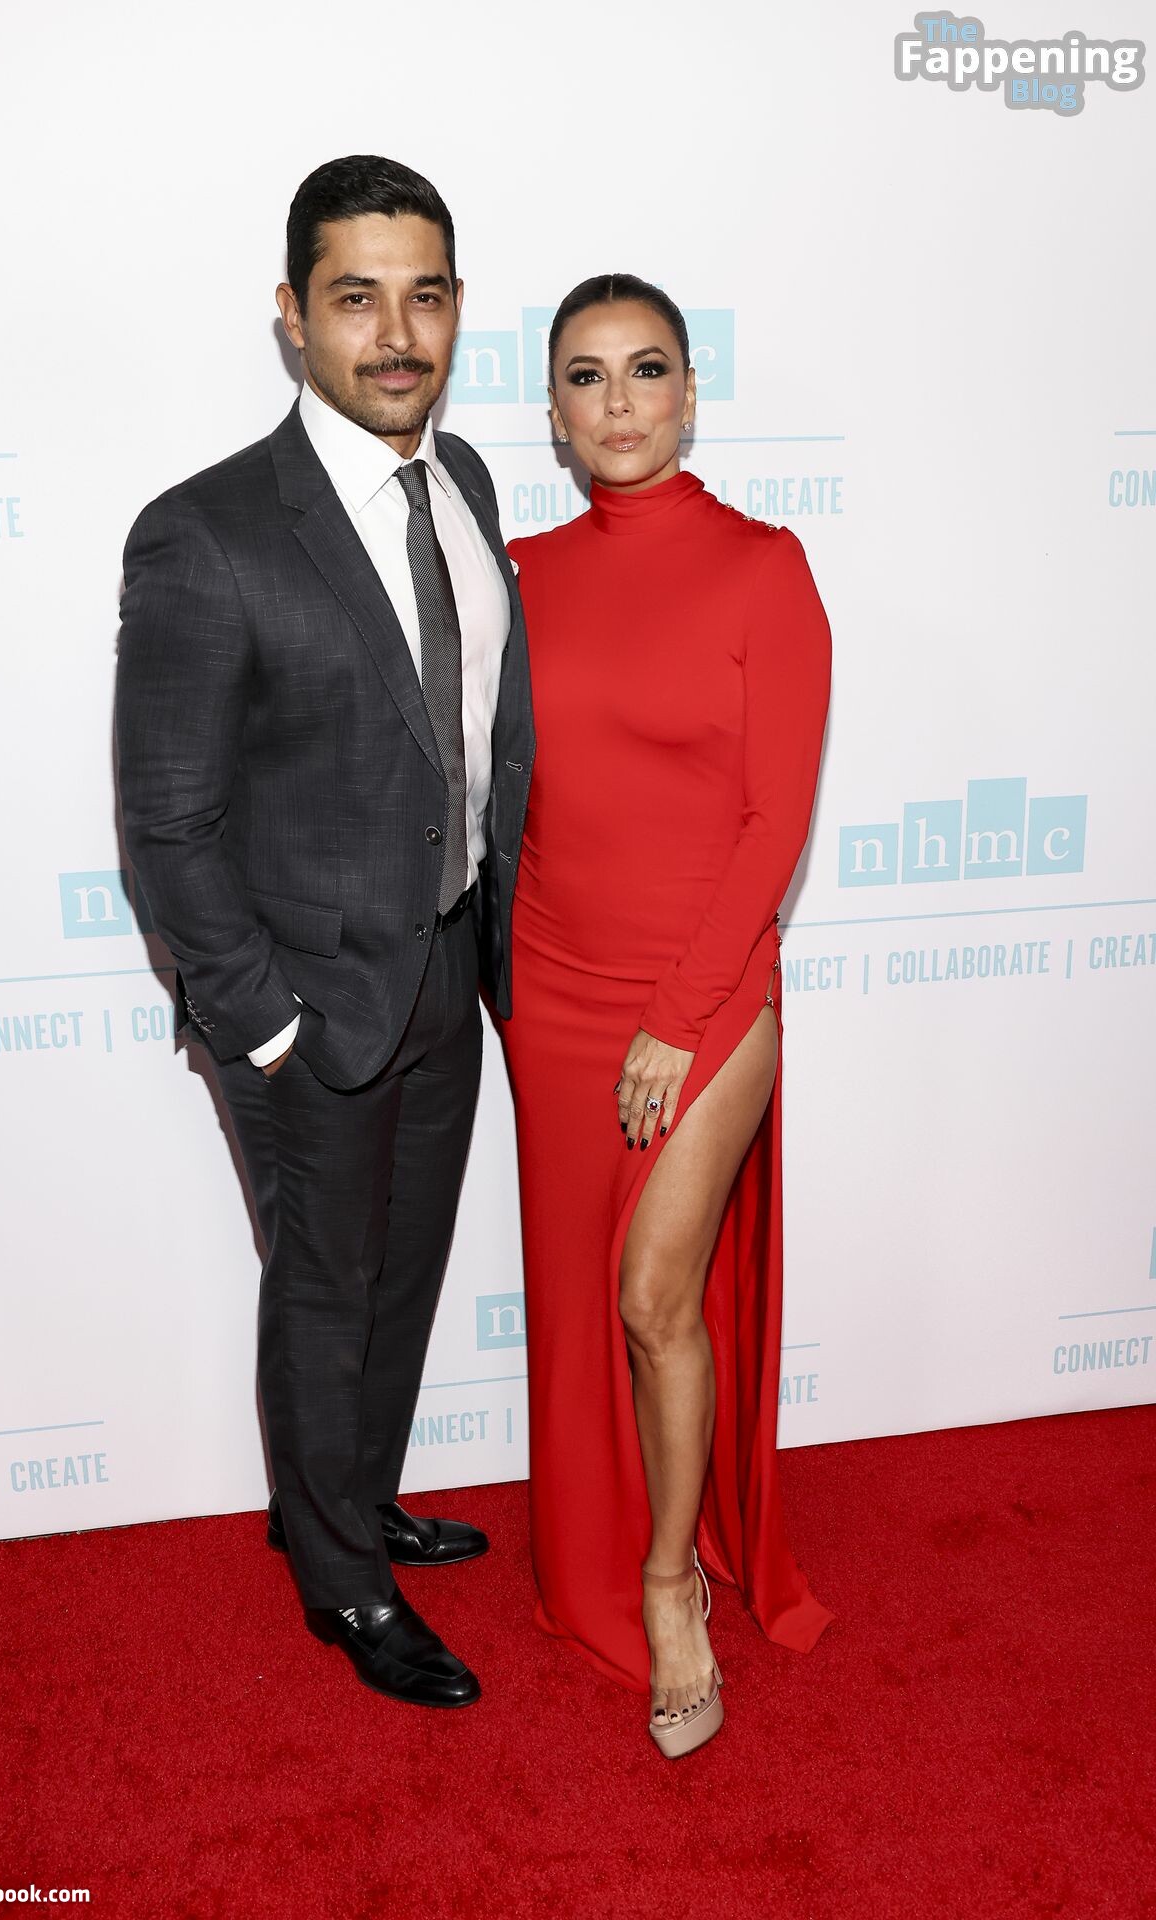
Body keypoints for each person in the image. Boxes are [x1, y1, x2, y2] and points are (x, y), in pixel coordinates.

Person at [115, 155, 534, 1709]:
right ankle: (341, 1583)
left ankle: (350, 1499)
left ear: (459, 309)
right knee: (323, 1288)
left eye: (425, 297)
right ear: (293, 316)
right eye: (357, 298)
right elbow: (167, 823)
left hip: (446, 961)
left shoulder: (466, 478)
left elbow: (475, 738)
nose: (396, 334)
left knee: (404, 1273)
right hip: (304, 999)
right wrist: (266, 1024)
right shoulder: (206, 532)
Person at [502, 273, 834, 1757]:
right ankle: (596, 1546)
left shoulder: (766, 569)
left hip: (704, 990)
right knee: (588, 1304)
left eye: (647, 370)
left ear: (692, 395)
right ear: (554, 412)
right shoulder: (521, 575)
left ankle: (668, 1582)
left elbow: (776, 824)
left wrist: (680, 1015)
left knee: (653, 1296)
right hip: (553, 989)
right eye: (587, 376)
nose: (620, 401)